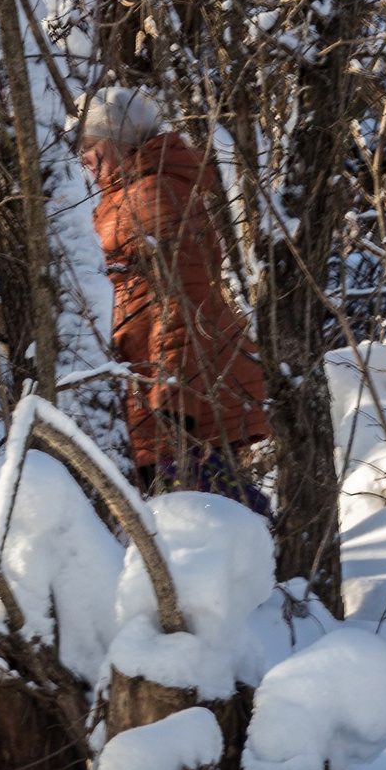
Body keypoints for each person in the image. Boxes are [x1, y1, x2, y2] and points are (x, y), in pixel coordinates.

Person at [79, 87, 271, 508]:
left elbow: (184, 297)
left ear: (117, 142)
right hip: (164, 385)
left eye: (90, 147)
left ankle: (281, 561)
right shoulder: (126, 195)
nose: (84, 160)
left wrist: (172, 397)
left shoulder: (150, 194)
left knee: (201, 521)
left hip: (181, 391)